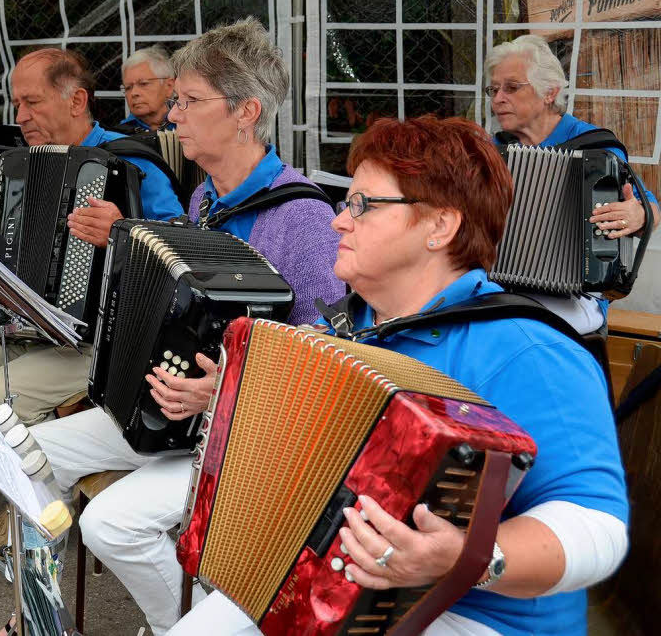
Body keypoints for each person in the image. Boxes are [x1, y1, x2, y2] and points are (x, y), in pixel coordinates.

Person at [168, 115, 628, 636]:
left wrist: (468, 558)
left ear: (440, 227)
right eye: (346, 204)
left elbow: (598, 528)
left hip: (472, 615)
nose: (339, 221)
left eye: (363, 205)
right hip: (319, 581)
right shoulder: (343, 326)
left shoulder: (528, 349)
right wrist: (232, 397)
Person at [25, 18, 344, 636]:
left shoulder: (301, 215)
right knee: (29, 453)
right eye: (177, 102)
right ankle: (42, 610)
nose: (174, 116)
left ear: (246, 111)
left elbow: (333, 350)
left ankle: (182, 624)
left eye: (190, 102)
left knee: (111, 523)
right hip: (178, 414)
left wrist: (229, 384)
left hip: (248, 437)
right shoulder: (204, 200)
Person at [0, 47, 183, 428]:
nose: (21, 117)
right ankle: (7, 484)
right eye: (17, 104)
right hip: (27, 324)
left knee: (2, 395)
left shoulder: (131, 161)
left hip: (103, 338)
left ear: (77, 100)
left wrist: (123, 229)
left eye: (32, 102)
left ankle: (38, 484)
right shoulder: (23, 163)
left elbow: (179, 245)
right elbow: (22, 244)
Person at [486, 34, 659, 333]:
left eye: (511, 88)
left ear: (549, 92)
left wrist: (639, 215)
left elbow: (652, 207)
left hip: (575, 297)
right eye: (493, 89)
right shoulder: (492, 150)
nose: (498, 98)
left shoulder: (596, 148)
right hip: (500, 285)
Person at [117, 45, 176, 133]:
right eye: (128, 87)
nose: (134, 93)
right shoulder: (118, 135)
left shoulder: (191, 126)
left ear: (169, 86)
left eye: (143, 84)